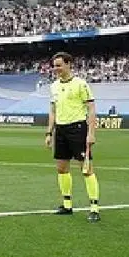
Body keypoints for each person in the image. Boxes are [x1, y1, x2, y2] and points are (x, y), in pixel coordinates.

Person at [45, 52, 100, 223]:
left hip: (78, 128)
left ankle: (94, 208)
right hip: (60, 130)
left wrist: (91, 133)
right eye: (54, 66)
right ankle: (67, 205)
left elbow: (91, 109)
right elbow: (53, 111)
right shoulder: (54, 86)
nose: (56, 69)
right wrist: (49, 132)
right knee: (61, 168)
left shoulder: (80, 84)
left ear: (69, 64)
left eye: (59, 65)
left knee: (86, 169)